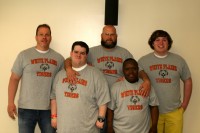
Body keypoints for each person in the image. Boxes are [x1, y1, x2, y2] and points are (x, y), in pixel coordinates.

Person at [65, 25, 151, 133]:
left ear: (116, 36)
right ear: (101, 35)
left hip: (118, 104)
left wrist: (147, 81)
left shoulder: (124, 53)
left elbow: (138, 70)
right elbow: (70, 59)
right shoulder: (92, 52)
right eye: (106, 34)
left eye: (112, 35)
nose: (109, 37)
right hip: (96, 103)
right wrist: (68, 69)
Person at [7, 24, 64, 133]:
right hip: (26, 108)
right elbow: (14, 79)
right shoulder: (24, 55)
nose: (44, 37)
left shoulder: (59, 58)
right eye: (41, 34)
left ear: (51, 37)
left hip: (48, 110)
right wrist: (10, 102)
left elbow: (61, 84)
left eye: (47, 35)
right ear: (36, 37)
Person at [138, 30, 193, 133]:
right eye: (157, 40)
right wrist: (122, 79)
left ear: (169, 43)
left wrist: (185, 104)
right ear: (152, 43)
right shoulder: (143, 61)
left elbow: (188, 80)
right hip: (152, 112)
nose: (161, 43)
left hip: (174, 112)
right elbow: (133, 76)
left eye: (164, 40)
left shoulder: (179, 60)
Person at [50, 41, 110, 133]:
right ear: (71, 53)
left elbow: (103, 99)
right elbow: (53, 98)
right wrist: (54, 117)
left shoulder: (96, 74)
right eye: (76, 52)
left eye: (82, 53)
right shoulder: (60, 75)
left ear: (86, 55)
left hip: (88, 129)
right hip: (63, 129)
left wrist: (101, 118)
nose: (78, 55)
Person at [107, 58, 159, 133]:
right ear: (123, 70)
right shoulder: (115, 87)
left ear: (138, 69)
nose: (131, 72)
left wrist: (154, 126)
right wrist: (109, 127)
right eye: (127, 69)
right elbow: (110, 110)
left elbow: (154, 106)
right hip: (120, 130)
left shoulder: (146, 86)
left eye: (134, 69)